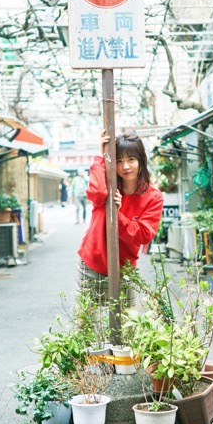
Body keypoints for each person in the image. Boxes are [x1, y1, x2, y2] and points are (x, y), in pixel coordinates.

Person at [76, 130, 163, 306]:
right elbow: (97, 193)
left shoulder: (153, 196)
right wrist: (101, 157)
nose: (125, 166)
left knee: (127, 325)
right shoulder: (107, 184)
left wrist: (117, 214)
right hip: (92, 259)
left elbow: (143, 235)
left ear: (141, 160)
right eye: (119, 161)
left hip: (124, 267)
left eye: (131, 159)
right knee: (85, 323)